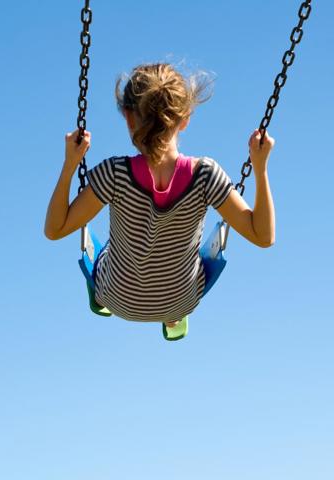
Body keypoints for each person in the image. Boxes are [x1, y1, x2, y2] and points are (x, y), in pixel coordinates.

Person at [44, 63, 275, 340]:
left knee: (102, 249)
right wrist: (260, 168)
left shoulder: (114, 174)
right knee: (194, 261)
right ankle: (173, 316)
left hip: (118, 298)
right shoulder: (205, 175)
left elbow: (55, 229)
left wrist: (70, 165)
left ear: (129, 119)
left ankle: (101, 299)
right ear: (185, 118)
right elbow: (263, 236)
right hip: (181, 299)